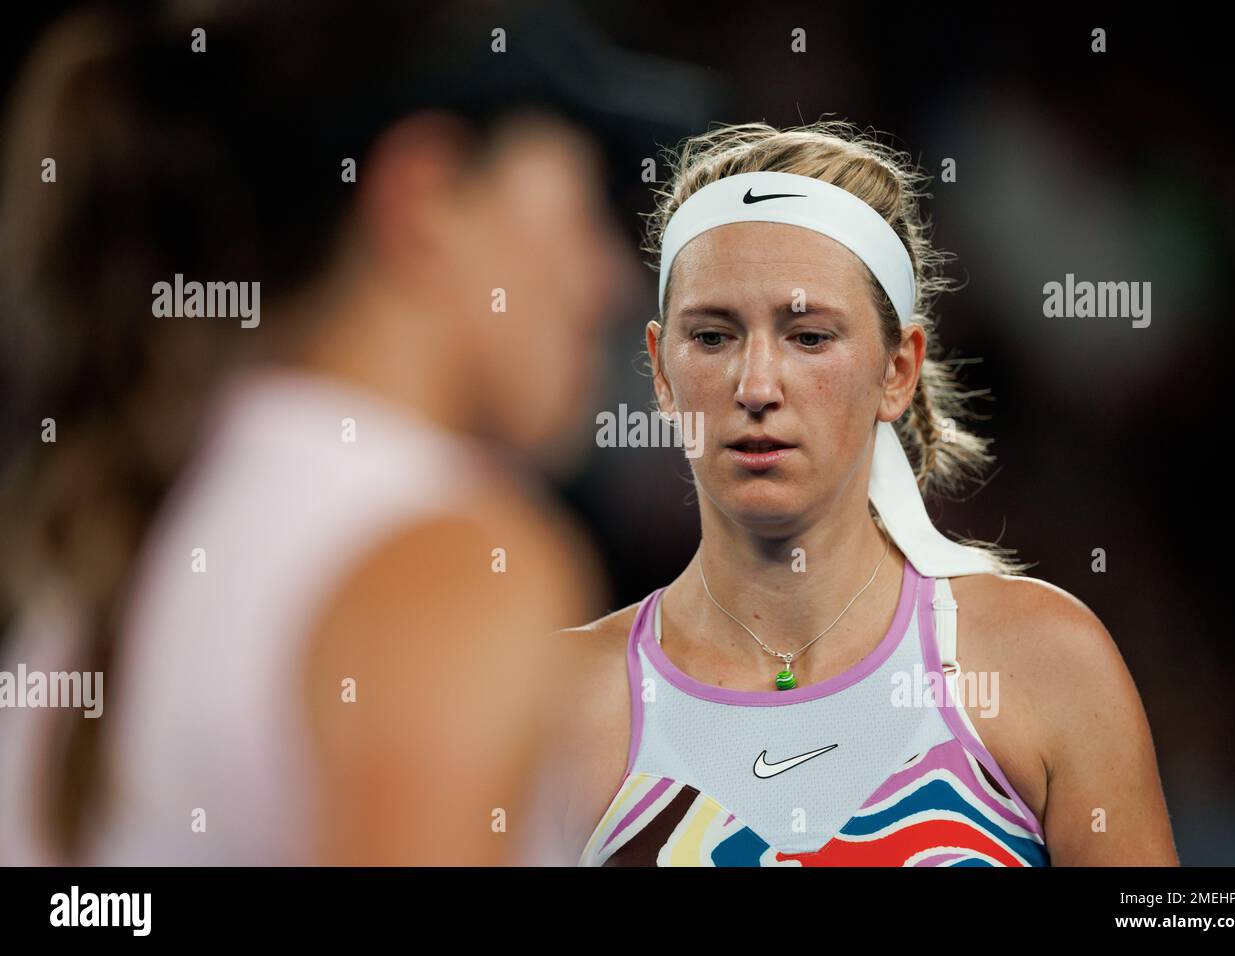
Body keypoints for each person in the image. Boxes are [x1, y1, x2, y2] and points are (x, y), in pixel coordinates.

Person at [0, 0, 712, 866]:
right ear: (427, 194)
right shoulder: (449, 558)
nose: (609, 281)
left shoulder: (125, 522)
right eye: (581, 204)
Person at [550, 120, 1179, 866]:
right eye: (713, 336)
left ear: (897, 370)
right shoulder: (558, 703)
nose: (755, 386)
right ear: (659, 370)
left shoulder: (1045, 664)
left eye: (809, 336)